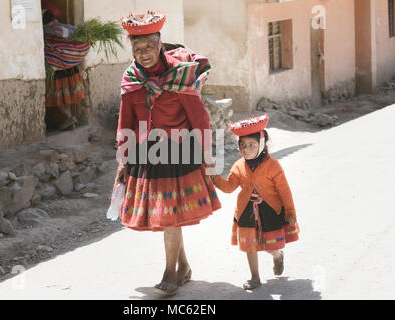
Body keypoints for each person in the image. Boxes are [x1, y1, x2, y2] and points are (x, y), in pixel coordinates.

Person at [114, 11, 221, 295]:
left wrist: (206, 153)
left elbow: (199, 118)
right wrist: (123, 158)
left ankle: (170, 273)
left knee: (169, 215)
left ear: (160, 43)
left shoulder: (180, 74)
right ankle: (183, 266)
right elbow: (125, 122)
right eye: (138, 49)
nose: (144, 53)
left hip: (179, 152)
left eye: (149, 47)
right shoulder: (132, 79)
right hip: (147, 154)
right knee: (168, 215)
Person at [211, 114, 300, 290]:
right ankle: (255, 277)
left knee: (270, 246)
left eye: (251, 145)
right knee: (249, 245)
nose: (246, 149)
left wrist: (290, 213)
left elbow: (284, 191)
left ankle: (277, 255)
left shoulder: (273, 166)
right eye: (242, 145)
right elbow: (229, 187)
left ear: (261, 144)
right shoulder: (238, 166)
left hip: (270, 210)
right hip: (245, 211)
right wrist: (214, 176)